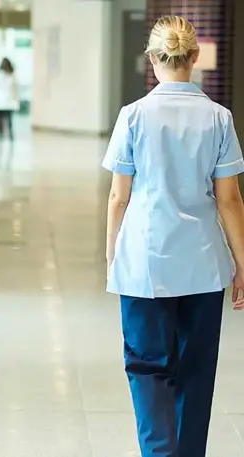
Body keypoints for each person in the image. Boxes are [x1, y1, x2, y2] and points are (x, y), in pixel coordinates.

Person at [103, 15, 244, 457]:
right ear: (195, 57)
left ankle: (158, 452)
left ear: (152, 59)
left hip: (146, 262)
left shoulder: (134, 116)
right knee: (196, 371)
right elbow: (229, 201)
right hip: (203, 265)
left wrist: (114, 256)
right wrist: (243, 263)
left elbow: (117, 198)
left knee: (147, 368)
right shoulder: (219, 119)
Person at [0, 58, 19, 140]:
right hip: (9, 100)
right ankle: (10, 133)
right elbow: (14, 87)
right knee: (9, 118)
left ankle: (0, 134)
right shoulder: (11, 75)